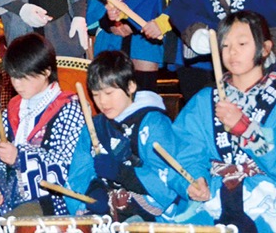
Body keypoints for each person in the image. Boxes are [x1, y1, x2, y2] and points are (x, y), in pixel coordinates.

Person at [174, 11, 276, 232]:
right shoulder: (205, 100)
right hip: (213, 196)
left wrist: (247, 129)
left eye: (242, 43)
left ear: (265, 48)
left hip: (266, 198)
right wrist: (194, 180)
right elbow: (184, 148)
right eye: (225, 45)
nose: (232, 52)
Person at [67, 50, 188, 222]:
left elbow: (169, 181)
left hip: (149, 216)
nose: (102, 102)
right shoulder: (93, 127)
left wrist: (122, 173)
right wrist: (93, 191)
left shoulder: (153, 123)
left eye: (109, 93)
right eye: (95, 94)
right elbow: (78, 174)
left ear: (130, 86)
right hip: (109, 214)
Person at [0, 34, 85, 216]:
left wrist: (20, 158)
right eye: (13, 77)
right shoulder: (12, 109)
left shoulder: (68, 109)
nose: (17, 84)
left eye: (23, 77)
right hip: (12, 199)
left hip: (52, 202)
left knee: (11, 222)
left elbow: (67, 168)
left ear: (46, 71)